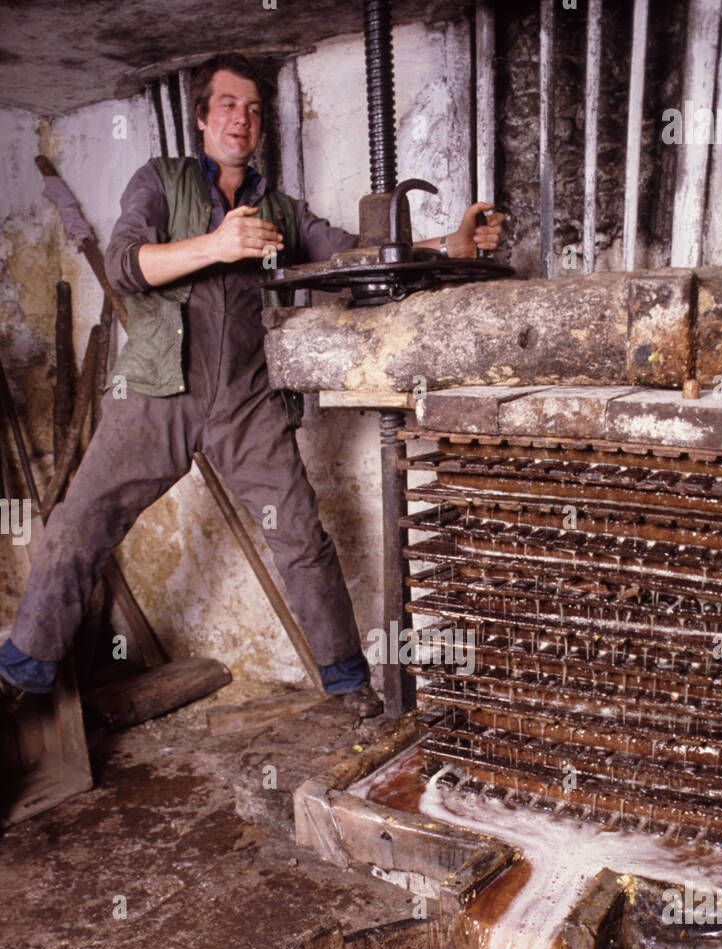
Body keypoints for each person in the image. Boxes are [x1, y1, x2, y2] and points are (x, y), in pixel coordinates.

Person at [0, 52, 503, 717]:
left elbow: (358, 256)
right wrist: (216, 243)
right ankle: (21, 676)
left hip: (246, 400)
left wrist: (450, 247)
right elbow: (123, 264)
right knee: (79, 524)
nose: (243, 119)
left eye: (254, 109)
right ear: (203, 118)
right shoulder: (161, 181)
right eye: (228, 106)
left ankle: (349, 688)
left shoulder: (281, 213)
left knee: (301, 538)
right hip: (156, 392)